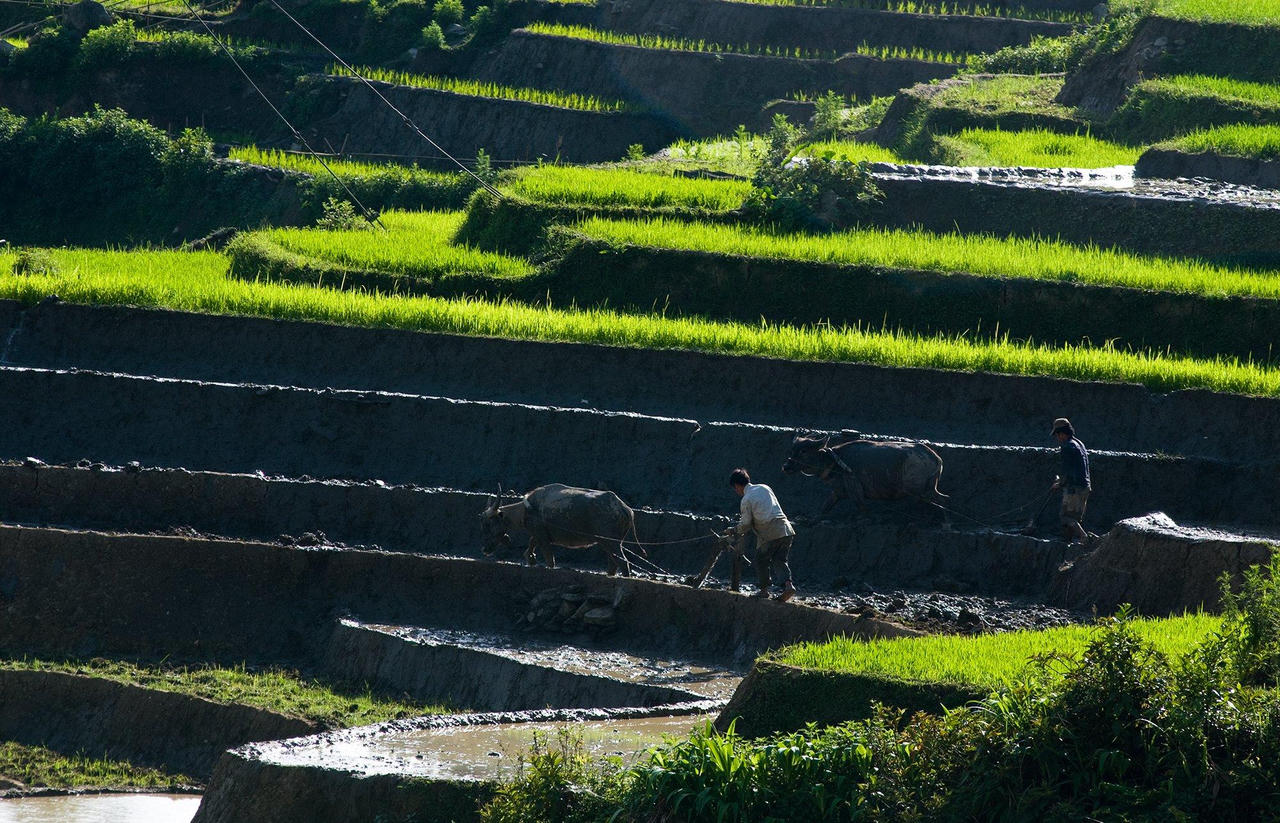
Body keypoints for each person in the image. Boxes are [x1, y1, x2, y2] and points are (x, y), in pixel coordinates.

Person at [729, 468, 796, 602]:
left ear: (737, 486)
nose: (736, 492)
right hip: (786, 528)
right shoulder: (765, 487)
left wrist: (734, 530)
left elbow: (746, 524)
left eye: (735, 489)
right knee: (780, 559)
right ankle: (788, 586)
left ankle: (764, 591)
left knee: (761, 560)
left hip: (770, 532)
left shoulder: (746, 499)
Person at [1050, 417, 1091, 544]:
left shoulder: (1067, 447)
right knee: (1073, 518)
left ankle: (1084, 537)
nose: (1057, 438)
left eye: (1057, 435)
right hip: (1085, 486)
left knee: (1066, 517)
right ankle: (1066, 541)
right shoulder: (1079, 443)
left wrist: (1059, 483)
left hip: (1074, 488)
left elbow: (1067, 470)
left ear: (1062, 433)